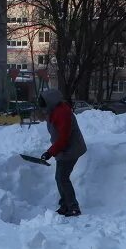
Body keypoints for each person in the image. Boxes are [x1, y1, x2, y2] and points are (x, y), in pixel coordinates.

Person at [39, 88, 87, 216]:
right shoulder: (55, 110)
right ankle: (65, 205)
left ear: (50, 101)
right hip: (64, 148)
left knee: (62, 178)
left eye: (44, 103)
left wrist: (50, 152)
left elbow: (63, 138)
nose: (42, 107)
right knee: (60, 178)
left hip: (71, 149)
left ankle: (73, 207)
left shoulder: (62, 113)